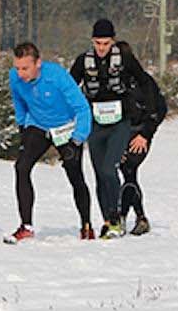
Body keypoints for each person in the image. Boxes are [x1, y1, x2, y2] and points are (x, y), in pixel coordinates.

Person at [69, 21, 163, 239]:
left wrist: (147, 127)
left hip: (120, 123)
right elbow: (70, 87)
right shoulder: (83, 61)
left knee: (110, 168)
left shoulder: (125, 59)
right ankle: (109, 221)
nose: (102, 48)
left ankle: (116, 215)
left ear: (113, 41)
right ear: (92, 41)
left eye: (106, 43)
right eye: (98, 43)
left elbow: (146, 85)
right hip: (96, 124)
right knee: (99, 173)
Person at [6, 41, 95, 244]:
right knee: (21, 167)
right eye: (17, 68)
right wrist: (22, 126)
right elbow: (18, 101)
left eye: (25, 68)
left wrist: (78, 139)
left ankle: (86, 226)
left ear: (38, 63)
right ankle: (26, 226)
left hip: (66, 127)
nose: (21, 73)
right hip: (38, 125)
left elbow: (82, 108)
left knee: (75, 175)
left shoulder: (57, 77)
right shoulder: (15, 77)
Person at [114, 40, 165, 236]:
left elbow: (159, 109)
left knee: (129, 170)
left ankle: (134, 216)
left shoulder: (144, 81)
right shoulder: (114, 80)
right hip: (121, 133)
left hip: (140, 134)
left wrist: (145, 134)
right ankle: (130, 215)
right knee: (127, 172)